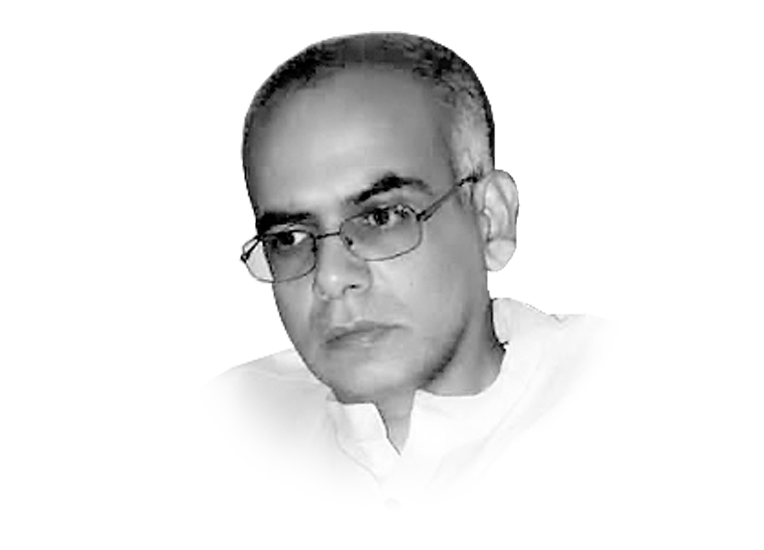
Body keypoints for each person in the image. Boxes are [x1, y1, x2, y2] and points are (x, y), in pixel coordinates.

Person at [205, 32, 608, 516]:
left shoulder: (631, 410)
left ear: (490, 219)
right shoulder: (218, 439)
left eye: (381, 218)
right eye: (289, 238)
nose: (330, 278)